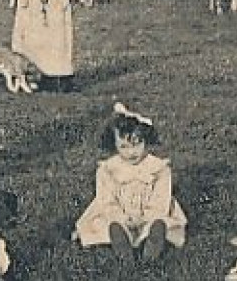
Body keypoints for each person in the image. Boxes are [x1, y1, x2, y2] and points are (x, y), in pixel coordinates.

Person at [73, 103, 187, 263]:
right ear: (114, 144)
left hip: (150, 215)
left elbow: (161, 199)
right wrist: (121, 217)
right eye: (124, 146)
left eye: (137, 144)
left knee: (161, 223)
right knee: (105, 223)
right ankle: (122, 242)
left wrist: (147, 217)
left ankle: (152, 244)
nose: (131, 152)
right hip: (118, 215)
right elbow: (106, 200)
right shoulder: (109, 169)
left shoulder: (158, 168)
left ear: (147, 140)